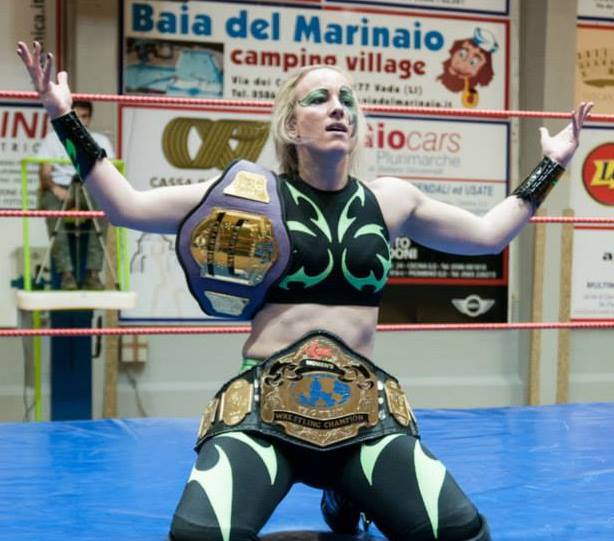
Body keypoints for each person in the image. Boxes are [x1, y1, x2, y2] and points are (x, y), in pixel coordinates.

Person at [18, 40, 592, 541]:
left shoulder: (391, 200)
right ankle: (345, 490)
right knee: (200, 536)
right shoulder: (250, 195)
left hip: (363, 415)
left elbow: (489, 234)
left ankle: (348, 489)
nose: (338, 107)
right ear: (292, 126)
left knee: (460, 532)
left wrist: (552, 164)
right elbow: (127, 207)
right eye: (319, 99)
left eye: (347, 100)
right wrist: (64, 117)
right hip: (264, 412)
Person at [37, 99, 115, 290]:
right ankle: (66, 275)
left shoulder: (100, 140)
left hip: (90, 185)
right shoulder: (52, 139)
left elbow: (109, 174)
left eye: (84, 117)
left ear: (90, 119)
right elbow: (44, 173)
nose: (80, 121)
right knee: (52, 210)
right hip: (60, 186)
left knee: (104, 211)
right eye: (76, 116)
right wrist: (55, 189)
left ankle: (93, 274)